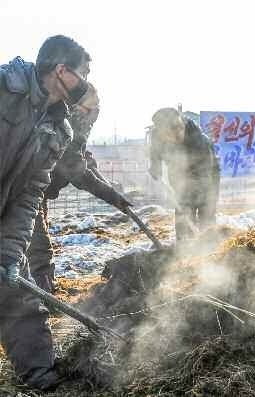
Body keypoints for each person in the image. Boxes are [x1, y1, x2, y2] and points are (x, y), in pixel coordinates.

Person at [0, 35, 92, 390]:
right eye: (82, 75)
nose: (86, 84)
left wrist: (9, 250)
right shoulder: (5, 89)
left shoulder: (59, 129)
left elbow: (29, 195)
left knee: (19, 298)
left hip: (5, 216)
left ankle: (44, 380)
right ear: (61, 70)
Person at [28, 83, 132, 292]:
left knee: (30, 245)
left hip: (38, 192)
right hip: (24, 190)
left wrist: (109, 186)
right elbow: (78, 173)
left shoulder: (74, 129)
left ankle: (35, 293)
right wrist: (112, 196)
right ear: (74, 105)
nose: (92, 116)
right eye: (88, 109)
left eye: (95, 110)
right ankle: (40, 302)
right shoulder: (57, 123)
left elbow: (81, 159)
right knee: (39, 250)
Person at [149, 107, 220, 240]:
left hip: (208, 175)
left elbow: (203, 177)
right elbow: (155, 153)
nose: (177, 135)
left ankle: (209, 247)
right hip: (178, 176)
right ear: (161, 131)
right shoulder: (156, 136)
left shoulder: (199, 142)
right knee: (183, 217)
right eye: (171, 133)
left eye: (180, 129)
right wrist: (155, 166)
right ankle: (182, 249)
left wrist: (189, 197)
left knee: (206, 211)